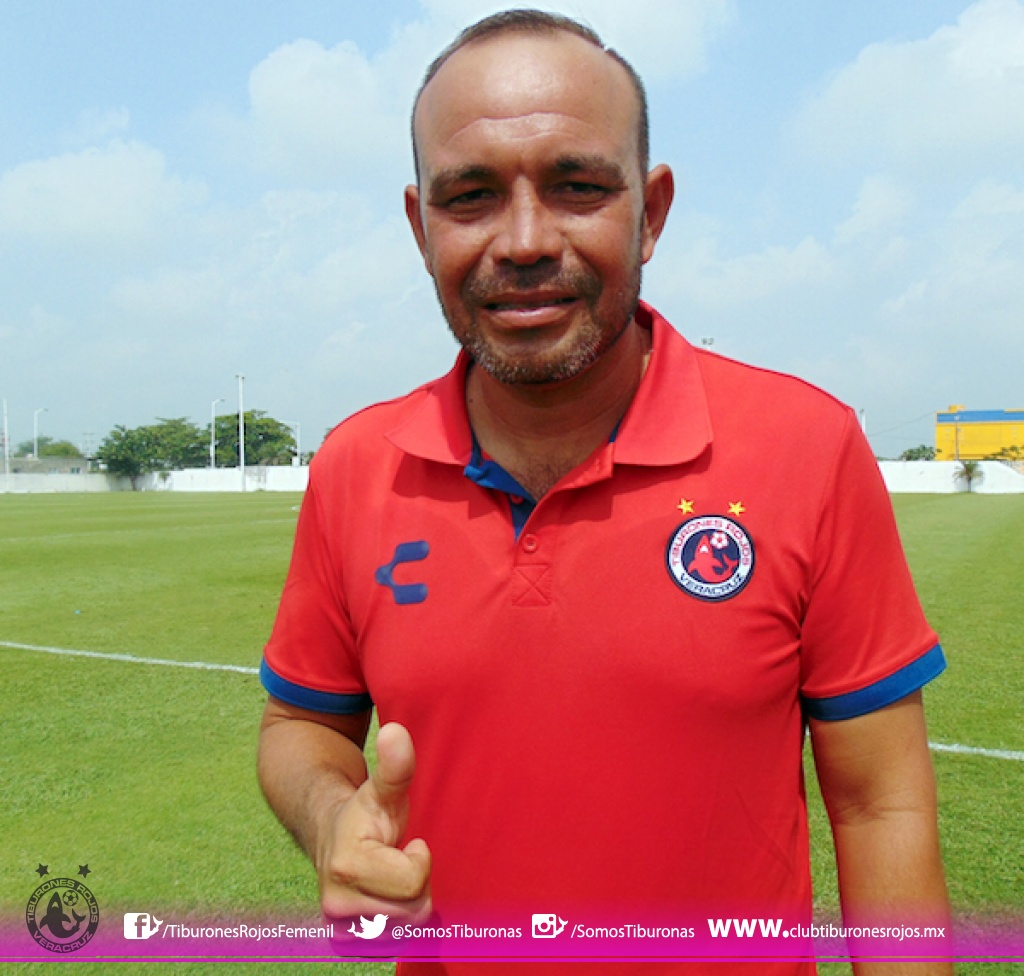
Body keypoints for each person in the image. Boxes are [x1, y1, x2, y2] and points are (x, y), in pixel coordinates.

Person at [257, 10, 951, 975]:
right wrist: (334, 814)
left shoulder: (807, 446)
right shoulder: (355, 464)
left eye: (578, 186)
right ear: (421, 228)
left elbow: (883, 806)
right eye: (472, 197)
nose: (526, 241)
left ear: (651, 212)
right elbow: (300, 725)